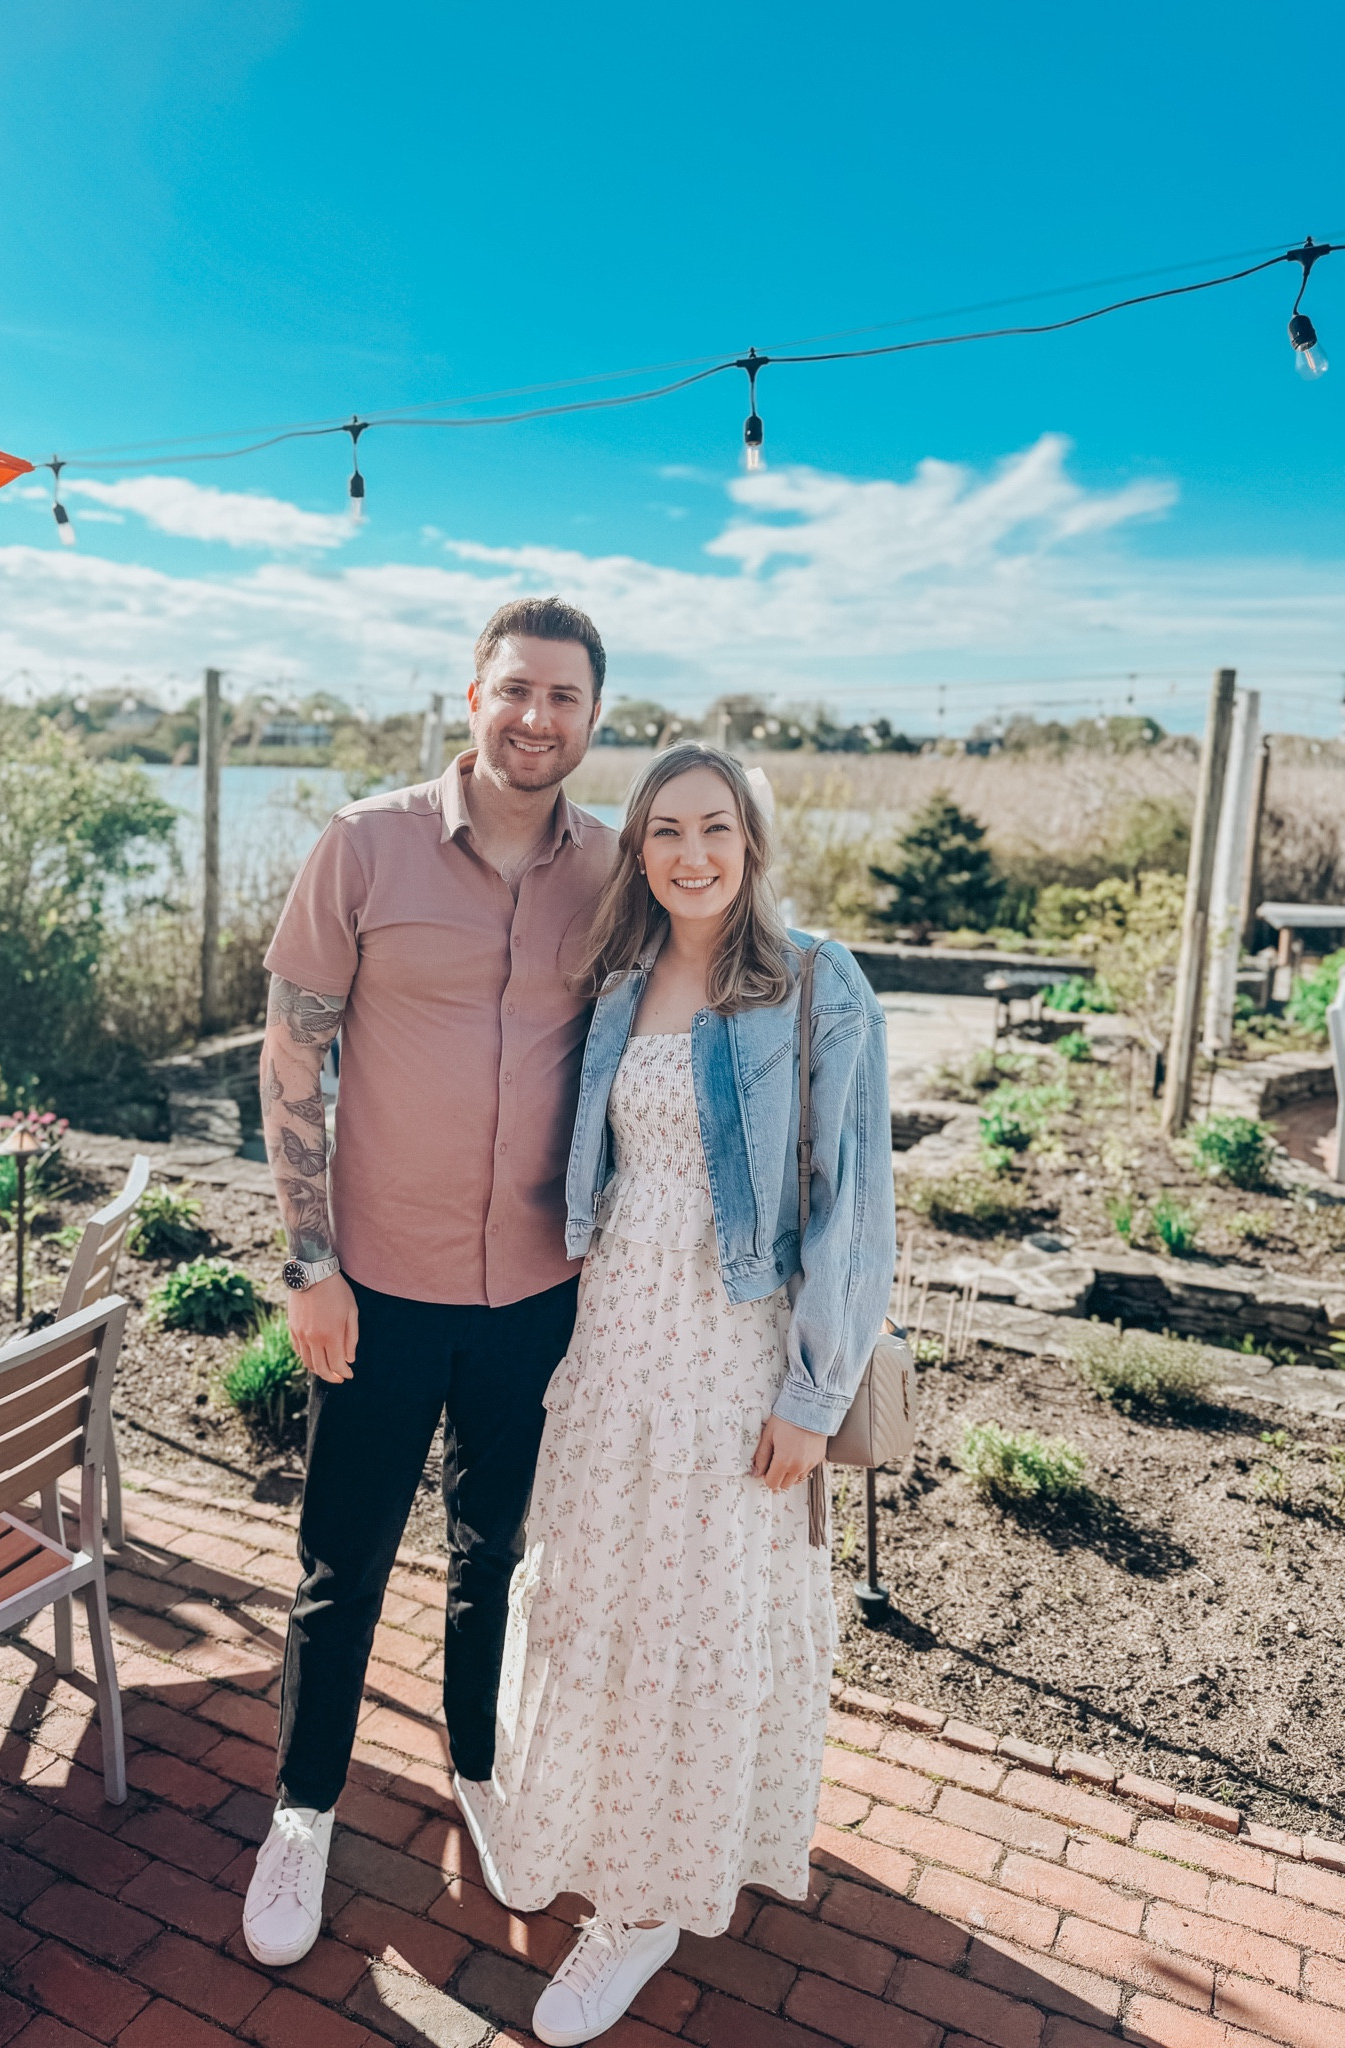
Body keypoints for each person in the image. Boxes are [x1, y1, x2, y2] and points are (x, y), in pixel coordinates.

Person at [475, 741, 896, 2046]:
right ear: (639, 850)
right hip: (615, 1348)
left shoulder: (818, 985)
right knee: (608, 1596)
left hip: (732, 1354)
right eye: (665, 831)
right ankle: (604, 1828)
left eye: (715, 829)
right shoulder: (621, 980)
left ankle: (646, 1904)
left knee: (699, 1607)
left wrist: (814, 1395)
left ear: (753, 843)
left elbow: (855, 1209)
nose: (691, 854)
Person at [241, 596, 616, 1968]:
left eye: (565, 697)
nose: (537, 718)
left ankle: (478, 1769)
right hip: (379, 1288)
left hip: (537, 1291)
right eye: (516, 689)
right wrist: (309, 1261)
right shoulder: (366, 846)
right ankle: (302, 1810)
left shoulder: (618, 868)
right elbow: (290, 1062)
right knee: (341, 1568)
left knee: (492, 1557)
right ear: (473, 694)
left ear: (593, 714)